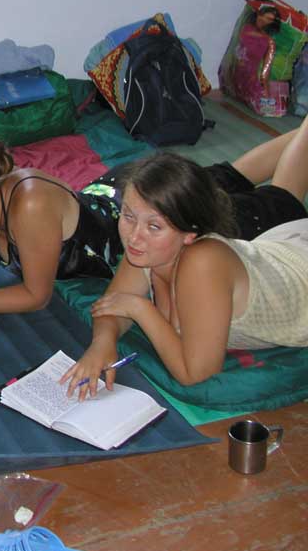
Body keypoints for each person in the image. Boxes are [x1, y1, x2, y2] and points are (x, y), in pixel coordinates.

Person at [0, 126, 308, 316]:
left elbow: (36, 295)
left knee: (278, 201)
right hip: (116, 196)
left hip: (141, 222)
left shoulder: (29, 208)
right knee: (225, 176)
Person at [62, 116, 308, 399]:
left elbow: (195, 373)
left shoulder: (202, 263)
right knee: (284, 192)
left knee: (284, 195)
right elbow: (112, 305)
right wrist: (101, 345)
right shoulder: (145, 249)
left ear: (190, 234)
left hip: (300, 275)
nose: (134, 237)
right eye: (128, 216)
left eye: (154, 226)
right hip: (278, 251)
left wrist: (141, 309)